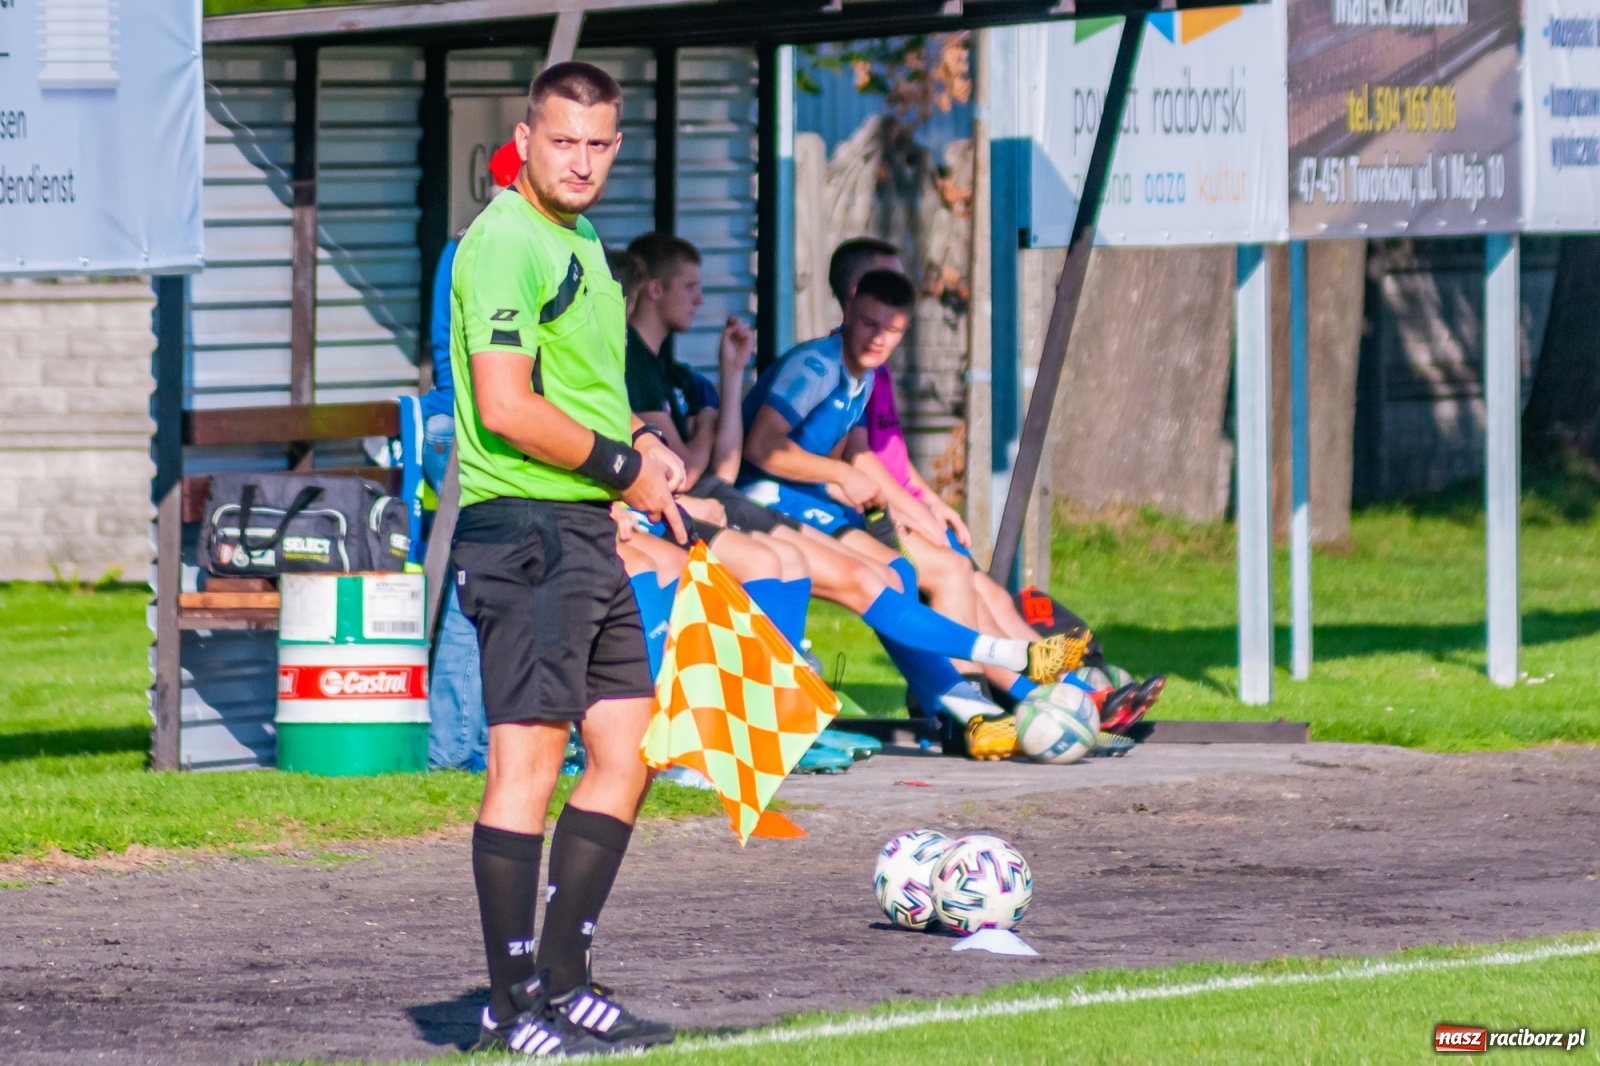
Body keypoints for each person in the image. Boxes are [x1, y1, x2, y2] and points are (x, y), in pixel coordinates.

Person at [449, 61, 684, 1055]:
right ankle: (509, 1006)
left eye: (598, 145)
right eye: (563, 142)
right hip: (527, 532)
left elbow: (579, 387)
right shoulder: (505, 241)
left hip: (585, 527)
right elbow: (505, 406)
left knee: (626, 755)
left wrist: (642, 443)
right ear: (527, 138)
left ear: (615, 147)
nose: (580, 161)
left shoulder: (579, 236)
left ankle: (563, 977)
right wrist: (624, 465)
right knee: (527, 764)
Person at [824, 239, 1167, 734]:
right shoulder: (842, 366)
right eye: (889, 284)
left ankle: (1071, 692)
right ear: (858, 294)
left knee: (996, 597)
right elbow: (855, 461)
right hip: (863, 517)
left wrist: (931, 501)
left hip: (894, 509)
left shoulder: (872, 368)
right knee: (959, 583)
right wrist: (908, 511)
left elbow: (890, 455)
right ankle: (977, 709)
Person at [740, 268, 1078, 757]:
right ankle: (983, 700)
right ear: (848, 311)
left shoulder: (864, 376)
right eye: (868, 324)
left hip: (805, 499)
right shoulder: (814, 366)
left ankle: (975, 706)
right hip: (762, 497)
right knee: (889, 579)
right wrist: (838, 478)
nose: (877, 338)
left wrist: (913, 508)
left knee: (900, 571)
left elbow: (856, 455)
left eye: (891, 330)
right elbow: (762, 448)